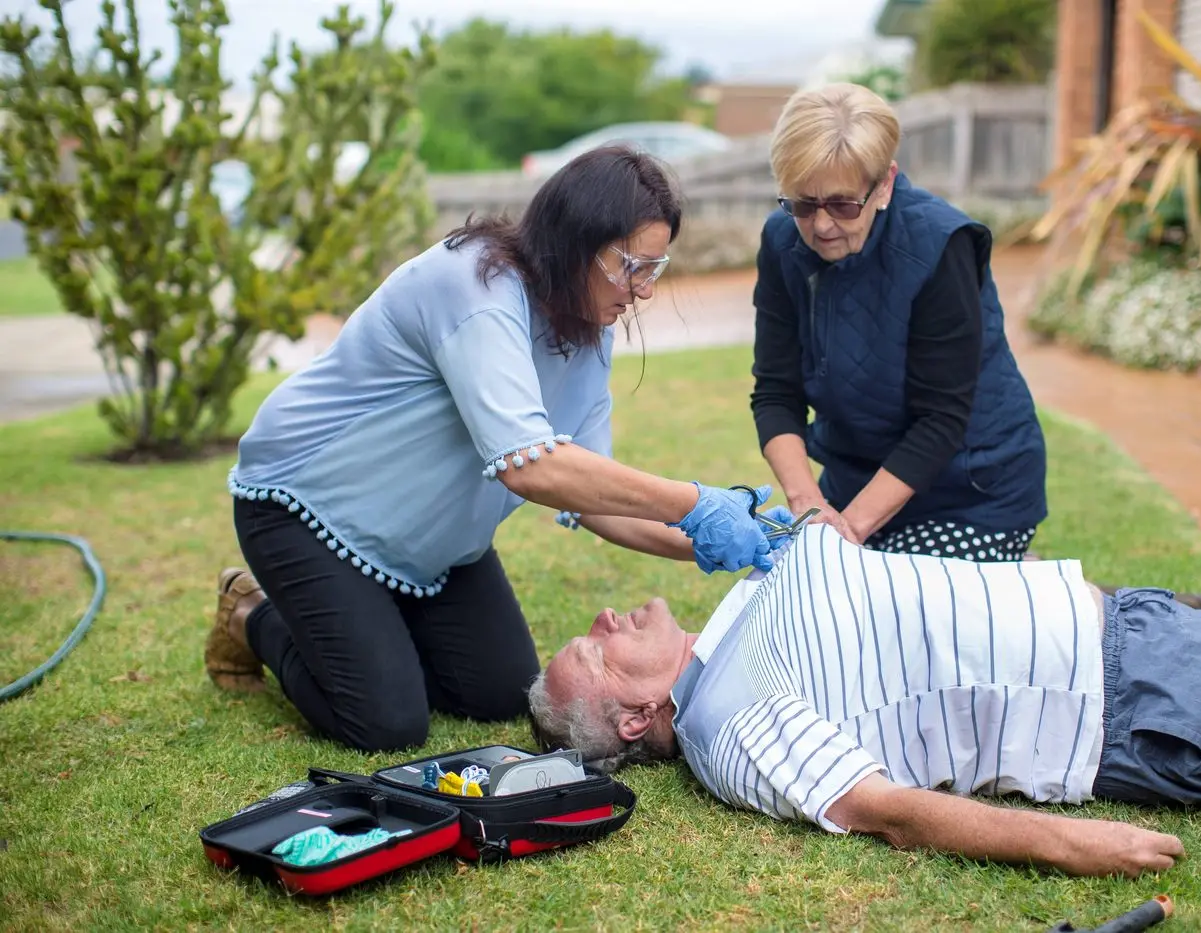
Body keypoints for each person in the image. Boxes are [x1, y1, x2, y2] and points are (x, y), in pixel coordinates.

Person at [205, 146, 794, 753]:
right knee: (385, 723)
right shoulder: (474, 285)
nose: (643, 290)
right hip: (308, 505)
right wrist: (693, 502)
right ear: (576, 241)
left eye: (655, 268)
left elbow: (592, 496)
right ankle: (251, 612)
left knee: (496, 692)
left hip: (431, 539)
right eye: (633, 267)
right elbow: (529, 465)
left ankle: (371, 623)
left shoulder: (587, 334)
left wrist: (718, 541)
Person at [529, 524, 1201, 879]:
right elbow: (885, 809)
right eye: (594, 649)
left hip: (1129, 624)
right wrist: (1068, 844)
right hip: (1131, 700)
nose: (603, 619)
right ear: (637, 717)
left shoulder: (733, 612)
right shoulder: (730, 721)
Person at [749, 82, 1048, 560]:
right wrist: (811, 508)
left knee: (889, 602)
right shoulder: (783, 242)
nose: (822, 225)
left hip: (971, 492)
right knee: (803, 588)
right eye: (803, 204)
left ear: (884, 184)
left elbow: (941, 418)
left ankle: (1037, 582)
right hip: (855, 480)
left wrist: (847, 532)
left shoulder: (940, 245)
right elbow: (775, 390)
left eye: (843, 205)